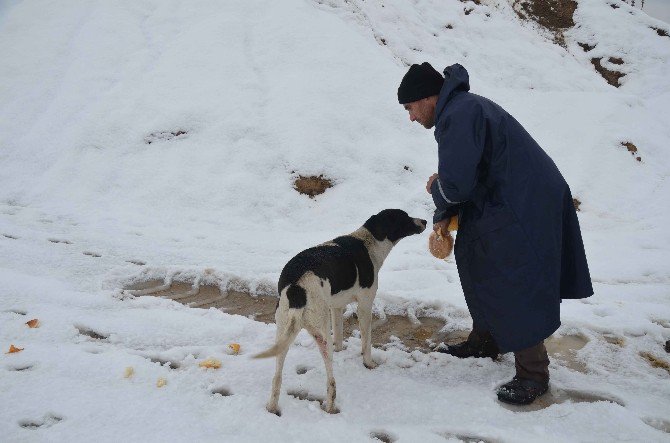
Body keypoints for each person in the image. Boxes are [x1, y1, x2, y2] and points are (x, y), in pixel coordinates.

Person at [398, 62, 593, 405]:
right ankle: (486, 339)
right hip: (509, 197)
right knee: (476, 260)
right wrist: (445, 205)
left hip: (521, 203)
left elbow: (456, 185)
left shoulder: (458, 115)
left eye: (410, 108)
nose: (411, 118)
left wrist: (437, 190)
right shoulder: (462, 109)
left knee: (510, 277)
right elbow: (466, 177)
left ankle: (533, 374)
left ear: (428, 98)